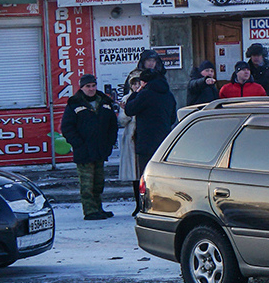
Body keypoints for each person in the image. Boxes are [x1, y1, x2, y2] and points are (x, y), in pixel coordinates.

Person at [59, 74, 119, 220]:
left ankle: (98, 208)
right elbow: (67, 128)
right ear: (82, 88)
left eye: (93, 85)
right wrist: (79, 144)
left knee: (98, 183)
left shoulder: (105, 102)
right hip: (84, 151)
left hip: (100, 150)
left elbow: (112, 125)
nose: (91, 89)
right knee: (87, 184)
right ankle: (90, 211)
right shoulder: (74, 103)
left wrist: (109, 143)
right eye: (88, 86)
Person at [124, 52, 179, 212]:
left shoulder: (145, 94)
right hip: (164, 141)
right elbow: (171, 118)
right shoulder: (167, 94)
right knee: (162, 175)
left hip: (146, 142)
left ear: (144, 82)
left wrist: (136, 92)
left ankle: (146, 207)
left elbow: (129, 109)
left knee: (146, 176)